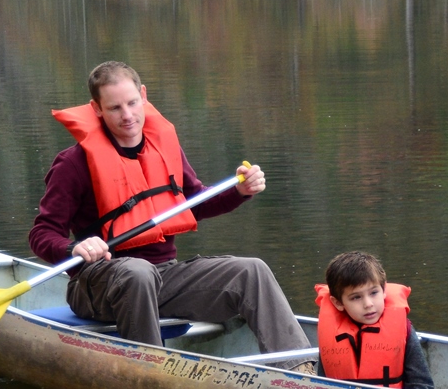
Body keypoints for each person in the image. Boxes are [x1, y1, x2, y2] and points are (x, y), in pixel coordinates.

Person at [29, 61, 309, 360]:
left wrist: (239, 191)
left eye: (132, 103)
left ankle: (297, 368)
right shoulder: (73, 164)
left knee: (251, 270)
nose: (127, 116)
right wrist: (74, 248)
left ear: (144, 95)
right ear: (96, 108)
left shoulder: (163, 148)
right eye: (114, 108)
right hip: (98, 284)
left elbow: (194, 205)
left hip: (164, 277)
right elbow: (42, 234)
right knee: (138, 273)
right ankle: (154, 374)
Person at [312, 250, 435, 389]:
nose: (368, 304)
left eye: (373, 293)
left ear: (384, 291)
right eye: (356, 297)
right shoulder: (331, 333)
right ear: (338, 303)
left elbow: (423, 386)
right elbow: (323, 384)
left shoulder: (404, 329)